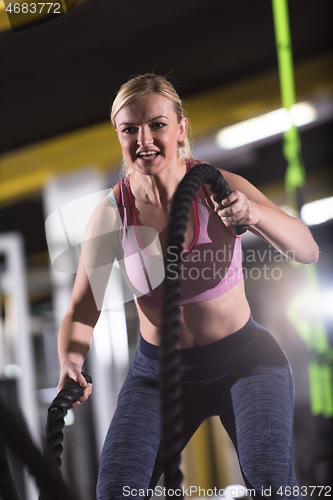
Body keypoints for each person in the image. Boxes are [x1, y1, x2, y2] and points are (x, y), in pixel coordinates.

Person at [56, 74, 319, 499]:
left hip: (246, 361)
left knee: (272, 484)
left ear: (180, 129)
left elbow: (307, 250)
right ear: (118, 135)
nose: (144, 139)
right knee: (115, 491)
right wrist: (70, 359)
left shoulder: (218, 186)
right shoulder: (110, 216)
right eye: (130, 129)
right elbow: (82, 310)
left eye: (157, 124)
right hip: (158, 373)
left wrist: (254, 215)